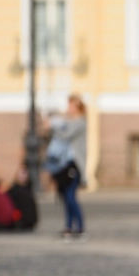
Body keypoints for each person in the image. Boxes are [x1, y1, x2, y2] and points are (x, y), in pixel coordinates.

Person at [45, 94, 87, 239]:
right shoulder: (67, 121)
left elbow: (65, 135)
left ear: (78, 107)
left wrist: (53, 126)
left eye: (71, 105)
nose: (68, 108)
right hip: (63, 164)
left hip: (74, 164)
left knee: (70, 196)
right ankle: (68, 227)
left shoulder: (80, 123)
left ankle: (80, 228)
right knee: (65, 196)